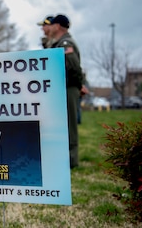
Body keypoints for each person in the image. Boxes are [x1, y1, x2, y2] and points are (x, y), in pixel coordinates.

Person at [50, 14, 84, 169]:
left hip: (69, 89)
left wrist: (78, 86)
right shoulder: (59, 43)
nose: (49, 28)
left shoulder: (65, 43)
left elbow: (74, 68)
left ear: (57, 26)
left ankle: (71, 160)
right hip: (64, 89)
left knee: (70, 125)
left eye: (51, 25)